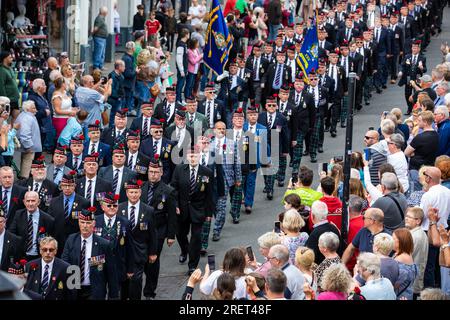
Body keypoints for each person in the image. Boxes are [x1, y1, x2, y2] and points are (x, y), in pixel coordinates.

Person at [171, 146, 214, 274]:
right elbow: (174, 189)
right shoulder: (179, 170)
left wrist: (208, 213)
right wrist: (176, 205)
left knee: (196, 237)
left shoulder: (206, 172)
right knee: (180, 234)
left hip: (198, 209)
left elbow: (209, 194)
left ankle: (192, 265)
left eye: (195, 155)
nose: (193, 158)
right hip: (182, 209)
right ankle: (185, 250)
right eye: (190, 156)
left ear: (199, 156)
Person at [62, 208, 119, 300]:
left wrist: (113, 294)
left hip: (94, 290)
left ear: (94, 224)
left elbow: (111, 270)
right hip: (73, 287)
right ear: (79, 223)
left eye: (88, 223)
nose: (85, 226)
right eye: (82, 222)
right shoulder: (71, 240)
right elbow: (64, 263)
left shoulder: (103, 244)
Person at [141, 158, 177, 299]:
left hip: (158, 232)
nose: (153, 175)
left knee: (153, 261)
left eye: (156, 172)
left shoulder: (168, 191)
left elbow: (172, 215)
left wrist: (171, 235)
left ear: (161, 173)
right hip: (142, 231)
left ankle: (149, 292)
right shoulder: (141, 187)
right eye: (151, 172)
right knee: (143, 260)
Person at [117, 179, 158, 300]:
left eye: (136, 192)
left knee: (136, 281)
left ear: (140, 193)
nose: (133, 195)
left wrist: (153, 252)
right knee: (123, 282)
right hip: (123, 252)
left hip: (139, 252)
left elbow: (153, 233)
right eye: (131, 192)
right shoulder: (119, 208)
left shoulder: (148, 210)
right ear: (127, 193)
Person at [9, 190, 55, 260]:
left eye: (33, 201)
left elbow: (52, 240)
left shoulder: (48, 219)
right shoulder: (18, 215)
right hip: (21, 256)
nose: (30, 204)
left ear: (38, 202)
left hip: (39, 257)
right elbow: (11, 233)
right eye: (28, 201)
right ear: (24, 202)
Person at [405, 207, 428, 298]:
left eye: (409, 217)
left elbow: (405, 256)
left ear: (418, 221)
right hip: (414, 279)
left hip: (412, 282)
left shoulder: (415, 236)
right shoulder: (416, 233)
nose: (406, 218)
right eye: (406, 216)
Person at [16, 101, 42, 179]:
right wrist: (29, 146)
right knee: (26, 170)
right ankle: (24, 185)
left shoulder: (27, 116)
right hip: (30, 148)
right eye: (33, 108)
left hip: (32, 147)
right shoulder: (27, 118)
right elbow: (24, 134)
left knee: (28, 168)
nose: (36, 110)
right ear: (27, 109)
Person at [393, 228, 418, 300]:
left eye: (393, 238)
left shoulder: (400, 259)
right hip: (407, 294)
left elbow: (395, 284)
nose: (391, 240)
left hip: (401, 297)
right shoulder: (406, 254)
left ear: (400, 241)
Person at [0, 207, 22, 271]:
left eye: (0, 222)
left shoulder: (15, 240)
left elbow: (17, 262)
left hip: (6, 276)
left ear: (5, 222)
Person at [0, 52, 20, 123]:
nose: (12, 59)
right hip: (8, 100)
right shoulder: (1, 70)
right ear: (5, 59)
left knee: (16, 118)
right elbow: (1, 86)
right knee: (5, 119)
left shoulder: (10, 69)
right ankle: (5, 133)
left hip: (15, 99)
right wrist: (4, 101)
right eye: (10, 57)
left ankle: (12, 133)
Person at [107, 60, 125, 126]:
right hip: (115, 99)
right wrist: (118, 97)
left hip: (120, 98)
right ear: (119, 67)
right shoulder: (112, 76)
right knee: (114, 115)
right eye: (123, 66)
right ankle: (111, 128)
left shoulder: (121, 76)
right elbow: (112, 89)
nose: (124, 68)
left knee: (117, 115)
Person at [175, 29, 190, 103]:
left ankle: (180, 99)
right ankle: (178, 99)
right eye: (188, 34)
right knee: (180, 84)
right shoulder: (181, 45)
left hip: (184, 68)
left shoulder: (184, 44)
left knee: (182, 84)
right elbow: (179, 58)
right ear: (186, 34)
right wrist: (181, 70)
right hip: (182, 68)